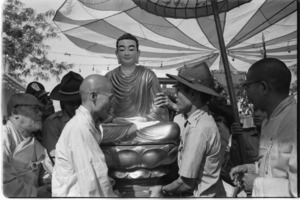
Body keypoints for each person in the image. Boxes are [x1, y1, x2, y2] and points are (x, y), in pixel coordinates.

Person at [150, 62, 226, 197]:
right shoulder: (190, 119)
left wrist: (161, 190)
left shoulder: (199, 128)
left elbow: (185, 183)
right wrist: (173, 106)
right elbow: (179, 117)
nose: (175, 94)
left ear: (193, 94)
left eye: (178, 89)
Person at [229, 58, 297, 197]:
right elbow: (274, 167)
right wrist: (251, 168)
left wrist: (257, 184)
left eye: (247, 87)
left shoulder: (294, 122)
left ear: (263, 87)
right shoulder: (268, 121)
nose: (246, 94)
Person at [51, 74, 118, 197]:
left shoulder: (89, 124)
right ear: (93, 96)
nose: (113, 103)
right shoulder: (79, 128)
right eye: (110, 98)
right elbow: (90, 183)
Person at [105, 33, 169, 124]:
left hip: (142, 125)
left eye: (131, 49)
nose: (126, 53)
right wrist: (113, 119)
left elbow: (160, 109)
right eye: (122, 49)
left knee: (171, 130)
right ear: (117, 54)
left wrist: (143, 120)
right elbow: (102, 108)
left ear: (138, 53)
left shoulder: (148, 75)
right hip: (116, 125)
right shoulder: (109, 77)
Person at [2, 93, 51, 197]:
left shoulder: (37, 145)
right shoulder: (4, 135)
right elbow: (4, 182)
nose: (40, 114)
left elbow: (47, 175)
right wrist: (35, 193)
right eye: (35, 109)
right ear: (15, 113)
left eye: (40, 109)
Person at [42, 71, 83, 159]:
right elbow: (55, 157)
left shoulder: (95, 118)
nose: (76, 107)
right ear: (63, 104)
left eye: (79, 102)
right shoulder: (53, 123)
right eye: (71, 103)